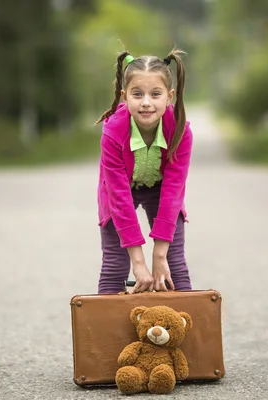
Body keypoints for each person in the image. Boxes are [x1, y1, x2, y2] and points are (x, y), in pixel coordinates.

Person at [95, 47, 193, 294]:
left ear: (169, 96)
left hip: (161, 190)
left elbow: (173, 190)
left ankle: (185, 326)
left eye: (155, 94)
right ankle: (103, 330)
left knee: (174, 264)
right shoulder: (113, 132)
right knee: (115, 265)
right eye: (137, 94)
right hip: (121, 191)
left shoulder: (180, 131)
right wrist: (138, 263)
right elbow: (119, 197)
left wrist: (159, 256)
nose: (146, 102)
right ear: (124, 96)